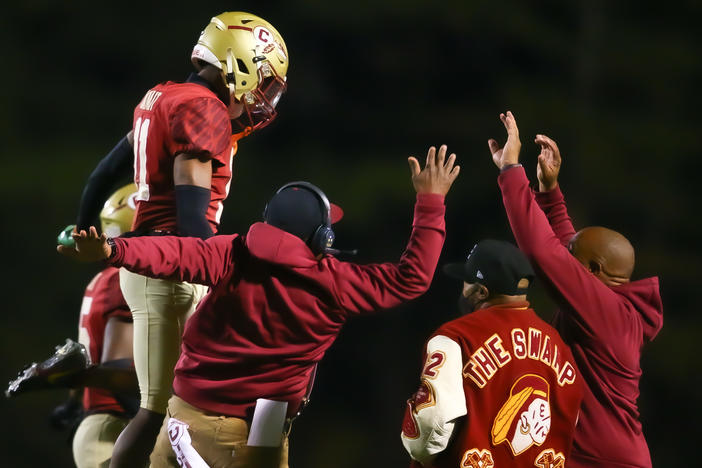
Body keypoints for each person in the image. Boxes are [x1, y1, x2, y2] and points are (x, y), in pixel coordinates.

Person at [59, 145, 460, 467]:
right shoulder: (334, 281)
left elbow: (172, 253)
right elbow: (412, 278)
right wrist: (430, 202)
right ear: (319, 237)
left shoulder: (233, 253)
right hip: (252, 434)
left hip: (185, 416)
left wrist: (113, 248)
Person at [68, 12, 289, 466]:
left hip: (151, 261)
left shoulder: (163, 95)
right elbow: (191, 209)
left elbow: (101, 175)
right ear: (241, 64)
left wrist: (81, 225)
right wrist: (216, 269)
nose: (263, 97)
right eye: (264, 82)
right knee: (162, 412)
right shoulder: (203, 108)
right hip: (174, 266)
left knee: (174, 409)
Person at [489, 111, 664, 467]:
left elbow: (544, 251)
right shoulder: (610, 303)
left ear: (595, 272)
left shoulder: (607, 313)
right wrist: (550, 193)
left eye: (574, 261)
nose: (567, 262)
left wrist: (511, 170)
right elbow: (570, 247)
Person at [401, 240, 583, 467]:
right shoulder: (559, 345)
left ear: (481, 291)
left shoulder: (455, 336)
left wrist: (420, 453)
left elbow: (430, 424)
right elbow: (570, 424)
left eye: (466, 283)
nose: (463, 290)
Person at [7, 185, 139, 468]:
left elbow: (86, 357)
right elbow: (119, 368)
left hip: (104, 424)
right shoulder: (126, 280)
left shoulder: (107, 278)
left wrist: (71, 401)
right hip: (116, 427)